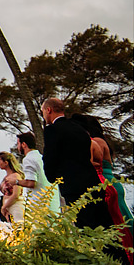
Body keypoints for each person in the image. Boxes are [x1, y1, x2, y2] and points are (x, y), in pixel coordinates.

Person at [41, 98, 115, 231]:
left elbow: (50, 156)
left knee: (86, 226)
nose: (44, 115)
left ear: (48, 110)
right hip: (92, 181)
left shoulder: (52, 130)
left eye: (43, 112)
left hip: (73, 185)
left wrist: (53, 177)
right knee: (105, 224)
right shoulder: (78, 127)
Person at [73, 114, 133, 264]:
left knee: (118, 219)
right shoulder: (102, 140)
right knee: (122, 215)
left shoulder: (95, 142)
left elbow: (94, 163)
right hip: (111, 180)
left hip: (105, 181)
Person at [13, 132, 60, 214]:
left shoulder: (28, 159)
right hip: (52, 204)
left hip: (38, 206)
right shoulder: (41, 157)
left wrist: (16, 182)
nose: (17, 147)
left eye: (18, 144)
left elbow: (31, 183)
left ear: (24, 144)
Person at [0, 152, 25, 222]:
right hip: (8, 207)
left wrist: (4, 207)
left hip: (16, 206)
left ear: (6, 163)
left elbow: (16, 194)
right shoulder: (5, 177)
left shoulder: (15, 176)